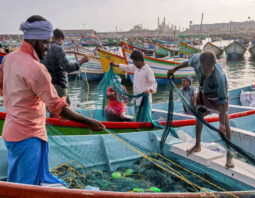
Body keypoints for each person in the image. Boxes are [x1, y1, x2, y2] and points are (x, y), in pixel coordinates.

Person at [0, 15, 104, 186]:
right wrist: (88, 121)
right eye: (46, 42)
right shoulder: (36, 68)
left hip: (10, 133)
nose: (48, 47)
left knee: (18, 181)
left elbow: (2, 85)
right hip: (28, 136)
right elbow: (57, 107)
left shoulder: (9, 59)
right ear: (34, 40)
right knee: (26, 188)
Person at [167, 51, 234, 169]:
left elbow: (222, 103)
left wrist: (221, 124)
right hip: (204, 90)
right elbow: (187, 62)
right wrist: (174, 69)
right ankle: (197, 145)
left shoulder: (220, 77)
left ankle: (229, 156)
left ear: (214, 65)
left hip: (218, 95)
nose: (208, 72)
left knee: (226, 123)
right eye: (205, 69)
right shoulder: (196, 60)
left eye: (210, 69)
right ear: (200, 64)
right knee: (198, 114)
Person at [42, 28, 88, 104]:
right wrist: (81, 61)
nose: (62, 43)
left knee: (53, 110)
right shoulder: (58, 48)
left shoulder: (44, 49)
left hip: (48, 87)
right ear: (60, 39)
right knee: (63, 110)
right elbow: (68, 68)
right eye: (62, 41)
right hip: (59, 86)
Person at [112, 50, 157, 120]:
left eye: (134, 61)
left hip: (145, 101)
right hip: (136, 99)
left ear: (139, 60)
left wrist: (149, 90)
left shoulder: (148, 70)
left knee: (144, 118)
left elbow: (154, 84)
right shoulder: (136, 68)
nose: (133, 63)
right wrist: (116, 65)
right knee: (137, 117)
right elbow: (127, 67)